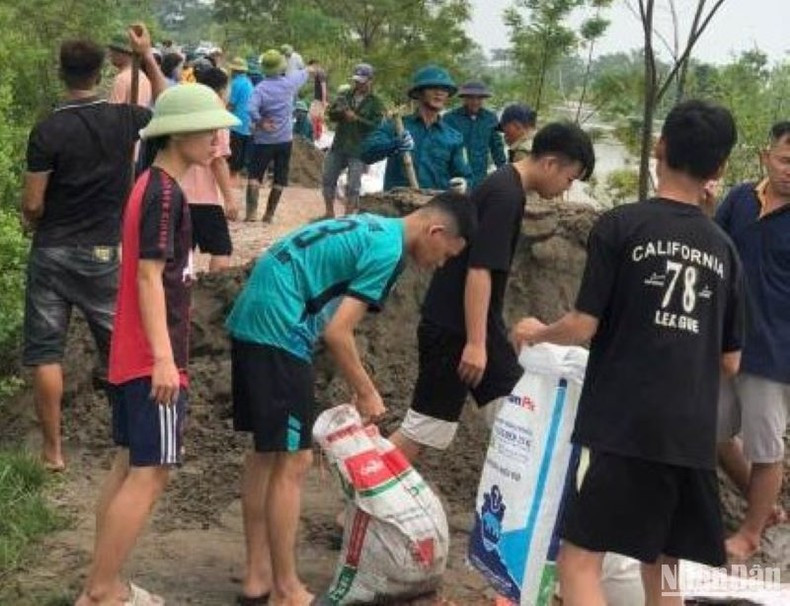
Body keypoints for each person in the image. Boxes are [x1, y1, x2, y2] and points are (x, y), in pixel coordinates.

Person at [512, 100, 744, 606]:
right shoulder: (724, 249)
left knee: (579, 560)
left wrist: (536, 331)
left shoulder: (621, 226)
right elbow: (730, 363)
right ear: (720, 168)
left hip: (626, 422)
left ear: (659, 148)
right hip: (690, 431)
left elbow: (582, 325)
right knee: (665, 566)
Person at [226, 192, 477, 606]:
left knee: (266, 454)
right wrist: (366, 390)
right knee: (295, 459)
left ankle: (258, 578)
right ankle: (285, 590)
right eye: (446, 254)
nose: (441, 264)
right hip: (279, 327)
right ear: (436, 231)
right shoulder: (388, 250)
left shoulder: (373, 226)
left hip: (256, 312)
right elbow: (338, 332)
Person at [74, 80, 239, 606]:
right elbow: (148, 277)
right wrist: (166, 360)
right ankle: (103, 590)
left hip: (133, 352)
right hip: (152, 357)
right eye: (210, 130)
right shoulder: (164, 193)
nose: (218, 139)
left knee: (129, 467)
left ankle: (102, 585)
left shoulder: (150, 185)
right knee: (151, 473)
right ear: (179, 134)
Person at [389, 122, 595, 461]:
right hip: (455, 331)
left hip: (475, 326)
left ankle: (515, 495)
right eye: (569, 179)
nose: (565, 189)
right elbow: (479, 270)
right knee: (423, 429)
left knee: (516, 410)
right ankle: (360, 493)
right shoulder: (505, 194)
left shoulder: (505, 186)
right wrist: (475, 344)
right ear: (550, 164)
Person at [20, 28, 167, 472]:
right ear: (101, 71)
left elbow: (32, 202)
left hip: (53, 251)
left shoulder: (48, 129)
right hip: (106, 249)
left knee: (47, 351)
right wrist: (147, 57)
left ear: (61, 73)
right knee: (119, 347)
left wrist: (31, 219)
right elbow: (165, 100)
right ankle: (132, 439)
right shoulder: (122, 120)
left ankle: (53, 452)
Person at [716, 120, 790, 561]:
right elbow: (714, 246)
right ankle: (764, 506)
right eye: (785, 159)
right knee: (712, 432)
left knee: (766, 448)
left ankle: (749, 533)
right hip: (723, 344)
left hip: (773, 353)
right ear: (767, 156)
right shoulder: (740, 199)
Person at [360, 65, 471, 191]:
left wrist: (463, 184)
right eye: (433, 87)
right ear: (419, 93)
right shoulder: (396, 126)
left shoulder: (453, 138)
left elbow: (465, 176)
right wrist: (394, 145)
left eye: (444, 89)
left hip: (434, 207)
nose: (439, 92)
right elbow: (366, 154)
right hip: (397, 206)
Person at [181, 67, 239, 272]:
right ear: (222, 89)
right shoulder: (217, 113)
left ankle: (179, 291)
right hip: (205, 197)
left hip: (179, 191)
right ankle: (213, 292)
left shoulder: (186, 108)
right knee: (221, 249)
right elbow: (218, 161)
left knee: (182, 250)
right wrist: (229, 199)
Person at [244, 49, 313, 223]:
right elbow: (308, 71)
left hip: (264, 140)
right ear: (281, 68)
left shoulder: (260, 89)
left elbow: (250, 109)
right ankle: (269, 215)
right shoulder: (290, 83)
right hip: (284, 139)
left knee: (255, 175)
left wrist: (260, 122)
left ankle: (251, 214)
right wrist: (313, 69)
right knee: (280, 176)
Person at [322, 63, 385, 217]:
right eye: (356, 81)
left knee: (353, 185)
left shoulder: (376, 103)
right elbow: (331, 115)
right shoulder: (345, 95)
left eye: (362, 81)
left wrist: (356, 119)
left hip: (359, 148)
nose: (358, 84)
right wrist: (340, 112)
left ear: (370, 81)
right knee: (328, 179)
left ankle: (348, 216)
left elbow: (376, 126)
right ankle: (329, 213)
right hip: (339, 145)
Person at [443, 81, 506, 189]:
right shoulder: (450, 118)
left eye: (479, 98)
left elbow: (497, 147)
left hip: (480, 176)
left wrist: (504, 172)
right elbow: (442, 148)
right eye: (471, 98)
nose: (475, 102)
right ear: (464, 98)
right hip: (456, 175)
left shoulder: (490, 118)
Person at [227, 56, 255, 187]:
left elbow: (231, 105)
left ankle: (231, 180)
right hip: (247, 124)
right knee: (241, 155)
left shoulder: (235, 83)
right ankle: (236, 178)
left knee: (233, 154)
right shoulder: (249, 83)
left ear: (234, 71)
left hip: (236, 123)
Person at [107, 33, 152, 107]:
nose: (110, 54)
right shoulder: (144, 77)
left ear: (123, 54)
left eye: (113, 51)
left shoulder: (122, 79)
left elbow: (113, 112)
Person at [307, 59, 328, 140]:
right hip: (318, 99)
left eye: (310, 68)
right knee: (318, 118)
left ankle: (314, 136)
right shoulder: (319, 73)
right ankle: (317, 136)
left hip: (319, 100)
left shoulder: (320, 73)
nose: (310, 70)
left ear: (314, 65)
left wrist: (324, 100)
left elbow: (324, 87)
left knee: (312, 117)